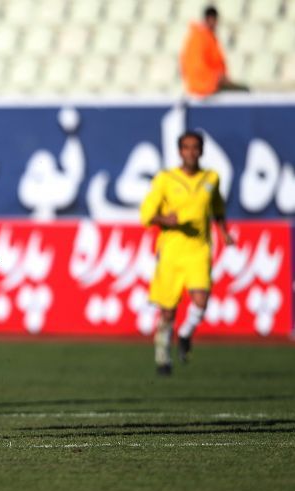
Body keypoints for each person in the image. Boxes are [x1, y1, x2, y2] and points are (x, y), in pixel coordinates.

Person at [140, 131, 234, 376]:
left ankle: (184, 333)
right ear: (179, 151)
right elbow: (146, 215)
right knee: (168, 311)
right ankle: (162, 355)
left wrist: (224, 231)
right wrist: (165, 220)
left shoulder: (211, 178)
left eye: (195, 147)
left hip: (199, 250)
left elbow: (217, 208)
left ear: (201, 151)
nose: (191, 152)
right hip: (171, 252)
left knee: (201, 299)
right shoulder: (166, 179)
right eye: (186, 147)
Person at [180, 5, 248, 97]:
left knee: (243, 91)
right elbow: (197, 66)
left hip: (208, 84)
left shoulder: (207, 37)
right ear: (209, 19)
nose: (216, 24)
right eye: (214, 20)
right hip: (204, 86)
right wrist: (216, 79)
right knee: (244, 91)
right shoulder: (199, 38)